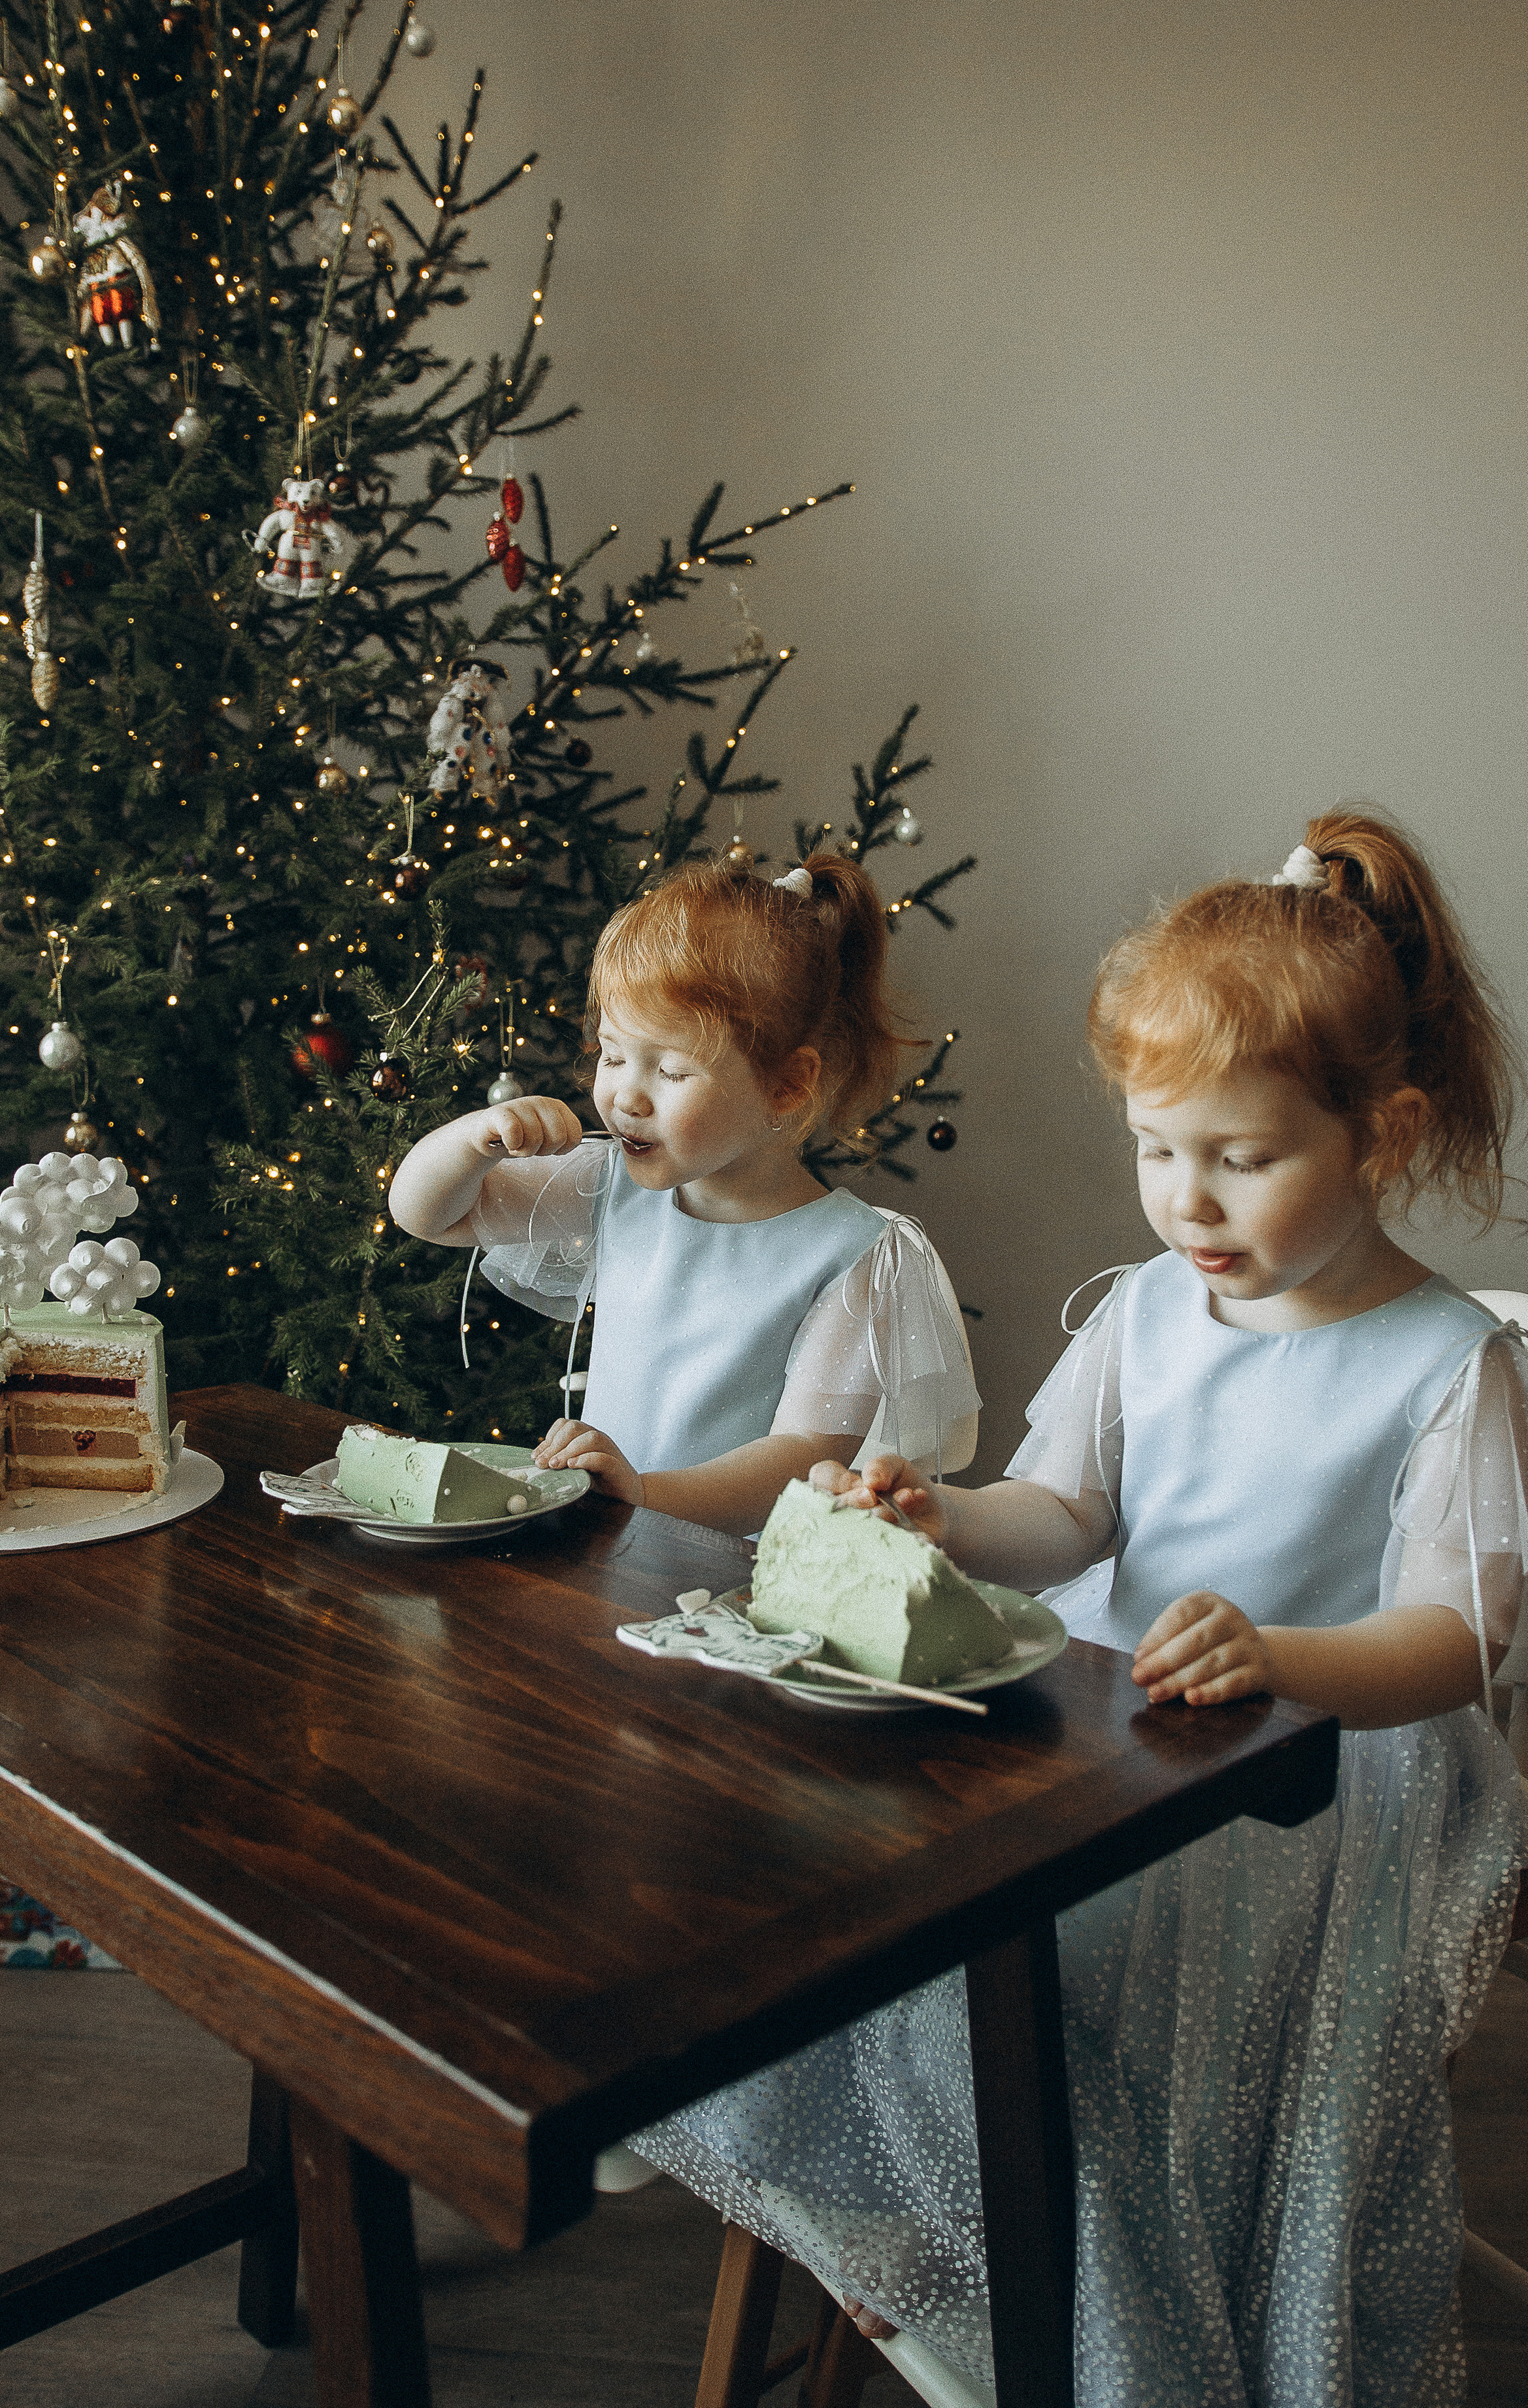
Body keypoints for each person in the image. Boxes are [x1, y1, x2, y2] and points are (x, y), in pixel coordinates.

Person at [632, 812, 1528, 2406]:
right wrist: (939, 1512)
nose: (1184, 1198)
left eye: (1239, 1158)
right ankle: (951, 2259)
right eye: (1153, 1146)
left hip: (1313, 1784)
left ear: (1377, 1136)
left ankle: (1090, 2314)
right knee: (856, 1923)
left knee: (1075, 2012)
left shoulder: (1444, 1365)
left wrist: (1278, 1657)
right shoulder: (1140, 1311)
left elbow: (1452, 1641)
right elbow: (1060, 1518)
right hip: (1109, 1737)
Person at [386, 854, 979, 1534]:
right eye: (612, 1055)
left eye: (670, 1070)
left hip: (721, 1575)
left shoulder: (854, 1257)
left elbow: (803, 1456)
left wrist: (642, 1493)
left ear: (786, 1085)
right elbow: (428, 1215)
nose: (624, 1097)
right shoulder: (609, 1183)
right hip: (601, 1534)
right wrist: (472, 1141)